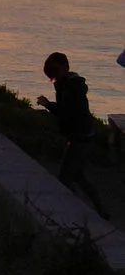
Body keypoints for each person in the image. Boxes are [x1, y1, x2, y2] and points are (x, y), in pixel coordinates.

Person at [37, 53, 109, 217]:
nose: (52, 75)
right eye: (50, 72)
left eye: (54, 70)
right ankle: (99, 209)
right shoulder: (65, 84)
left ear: (65, 67)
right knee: (76, 175)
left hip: (81, 137)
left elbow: (68, 112)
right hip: (79, 135)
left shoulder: (72, 86)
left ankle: (74, 211)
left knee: (66, 177)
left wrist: (48, 105)